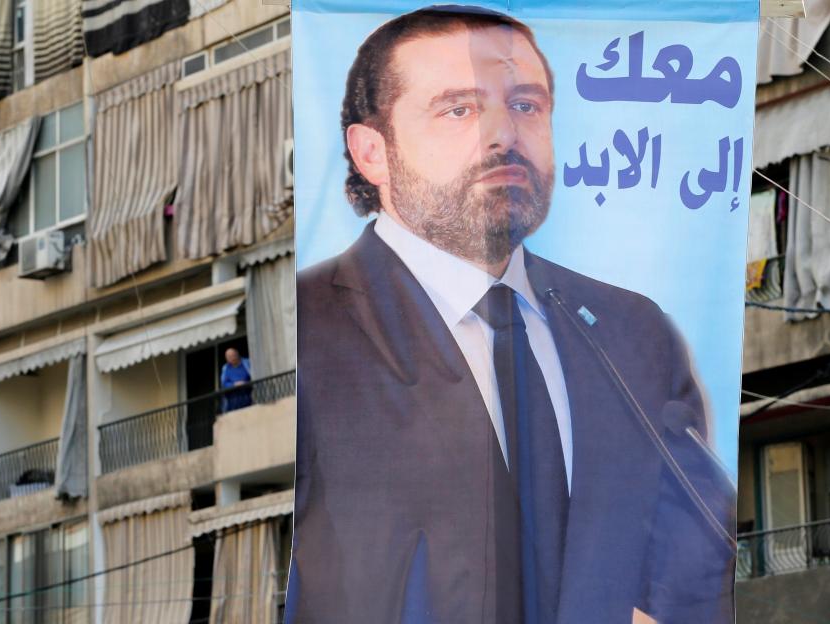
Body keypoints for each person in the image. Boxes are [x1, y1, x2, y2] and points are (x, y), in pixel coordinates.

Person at [288, 6, 735, 623]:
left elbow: (700, 557)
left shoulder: (633, 333)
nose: (503, 136)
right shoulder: (310, 335)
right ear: (372, 153)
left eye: (526, 106)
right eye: (458, 109)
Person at [220, 347, 252, 412]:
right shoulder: (225, 368)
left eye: (232, 355)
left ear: (237, 354)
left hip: (248, 398)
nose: (231, 358)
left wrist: (245, 383)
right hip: (232, 402)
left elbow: (255, 376)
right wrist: (234, 384)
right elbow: (224, 384)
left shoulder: (247, 363)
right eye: (228, 357)